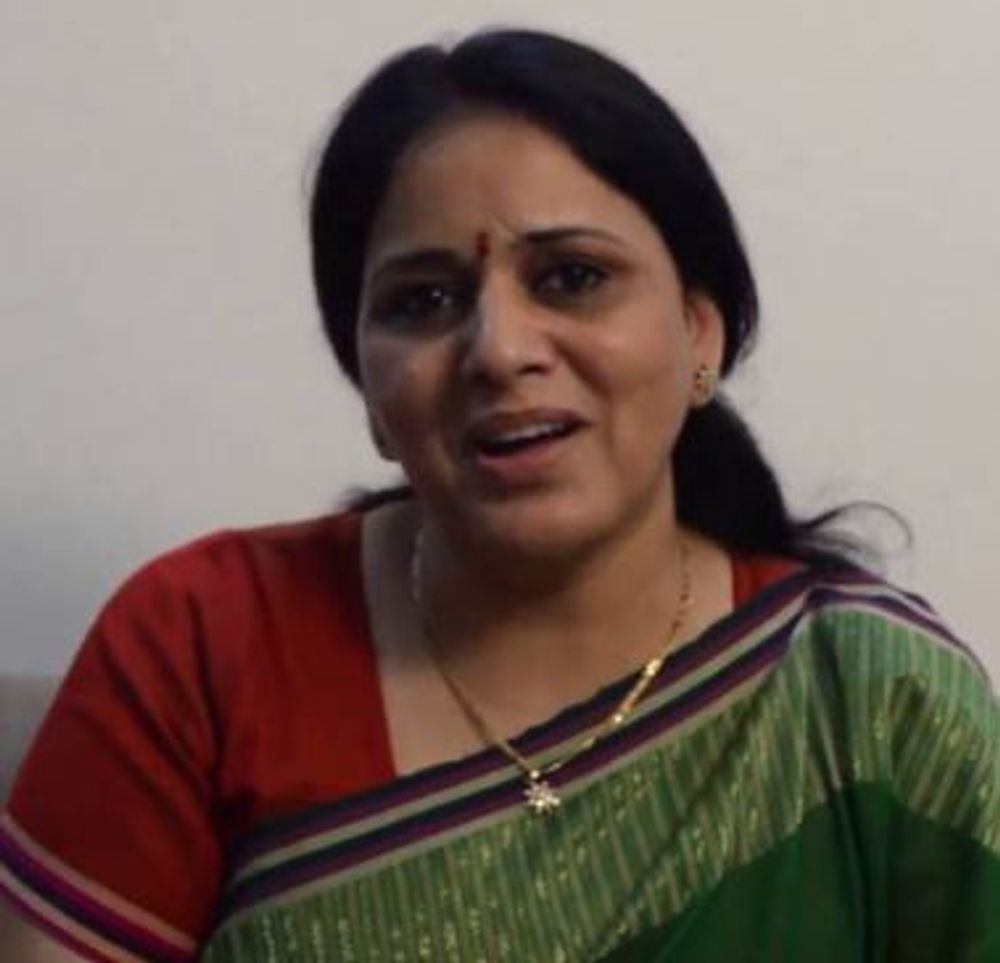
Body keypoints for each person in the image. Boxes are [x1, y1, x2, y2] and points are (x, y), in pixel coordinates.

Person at [1, 28, 997, 962]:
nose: (501, 350)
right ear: (368, 390)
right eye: (424, 301)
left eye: (571, 277)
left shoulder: (868, 700)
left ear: (700, 332)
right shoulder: (204, 644)